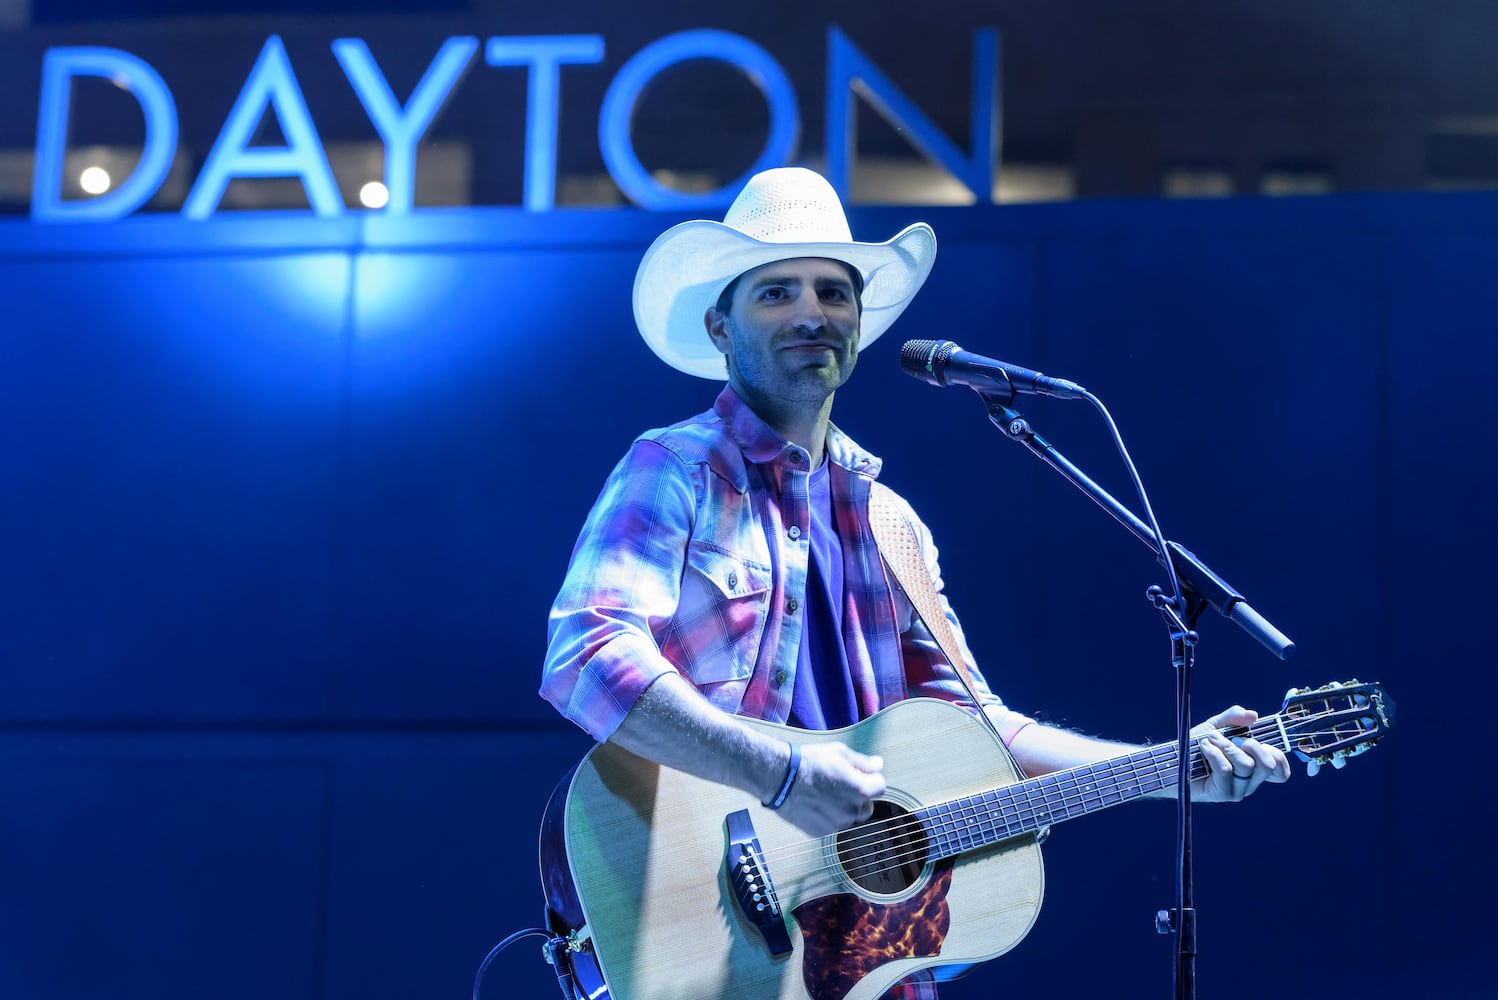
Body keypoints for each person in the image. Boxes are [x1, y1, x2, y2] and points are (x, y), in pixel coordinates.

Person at [539, 166, 1289, 999]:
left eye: (833, 291)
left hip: (865, 958)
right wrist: (781, 775)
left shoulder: (889, 521)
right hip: (706, 937)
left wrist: (1163, 765)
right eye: (776, 293)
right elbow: (586, 655)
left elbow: (980, 730)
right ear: (721, 326)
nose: (811, 312)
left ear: (858, 324)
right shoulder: (675, 470)